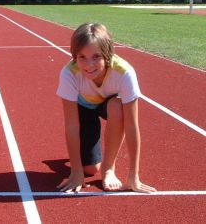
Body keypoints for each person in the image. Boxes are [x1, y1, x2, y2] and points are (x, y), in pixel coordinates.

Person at [56, 23, 156, 193]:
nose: (89, 65)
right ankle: (86, 164)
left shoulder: (124, 72)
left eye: (96, 56)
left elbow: (132, 126)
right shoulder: (69, 73)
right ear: (74, 56)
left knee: (117, 107)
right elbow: (72, 126)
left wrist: (134, 175)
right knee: (90, 170)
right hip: (84, 107)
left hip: (108, 104)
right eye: (82, 57)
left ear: (108, 55)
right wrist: (76, 170)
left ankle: (109, 169)